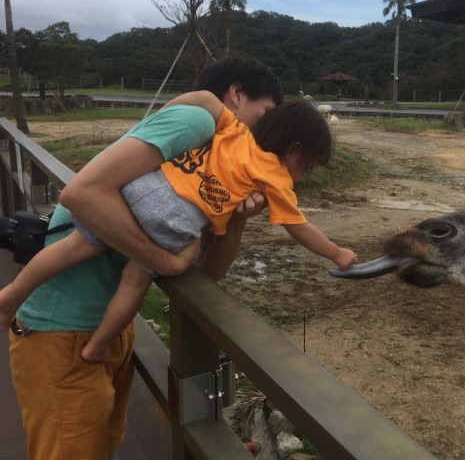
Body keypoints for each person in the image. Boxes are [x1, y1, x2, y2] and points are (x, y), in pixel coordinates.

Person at [7, 55, 283, 460]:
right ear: (236, 95)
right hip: (61, 329)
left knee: (102, 447)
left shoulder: (221, 167)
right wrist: (165, 261)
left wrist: (236, 221)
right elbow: (79, 195)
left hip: (110, 328)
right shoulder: (198, 122)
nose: (267, 130)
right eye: (266, 113)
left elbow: (209, 274)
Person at [1, 92, 357, 361]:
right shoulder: (277, 180)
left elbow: (204, 99)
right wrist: (336, 252)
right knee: (135, 280)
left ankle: (10, 295)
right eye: (309, 165)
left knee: (75, 246)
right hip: (172, 219)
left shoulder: (235, 132)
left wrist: (168, 109)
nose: (305, 173)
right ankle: (97, 346)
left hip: (139, 188)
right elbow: (300, 227)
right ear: (295, 149)